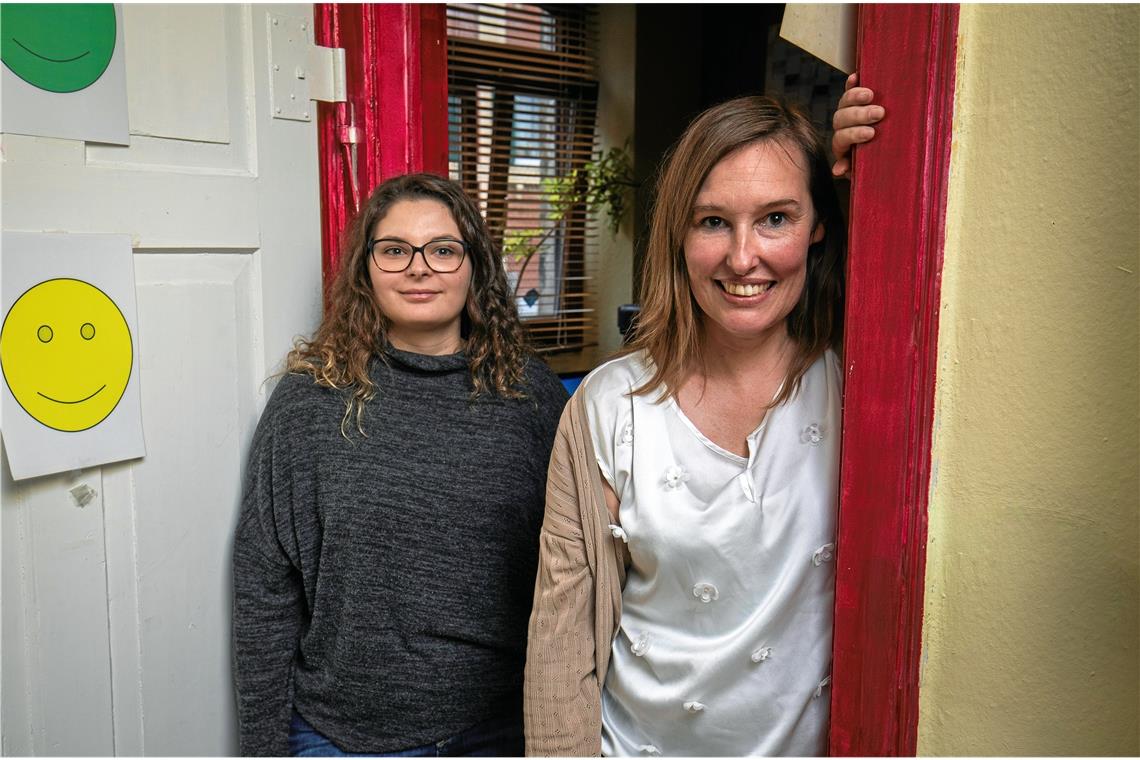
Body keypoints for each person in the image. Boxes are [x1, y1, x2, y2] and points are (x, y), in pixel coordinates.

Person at [523, 84, 879, 756]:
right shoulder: (608, 407)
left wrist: (872, 180)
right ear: (679, 234)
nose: (743, 257)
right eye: (713, 221)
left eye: (776, 218)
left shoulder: (861, 389)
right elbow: (560, 647)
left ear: (819, 225)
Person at [232, 173, 569, 756]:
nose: (420, 267)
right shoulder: (312, 399)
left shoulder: (531, 397)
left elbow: (578, 568)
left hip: (504, 728)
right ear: (366, 269)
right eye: (394, 250)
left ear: (474, 267)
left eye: (443, 249)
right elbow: (265, 583)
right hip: (343, 737)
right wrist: (263, 749)